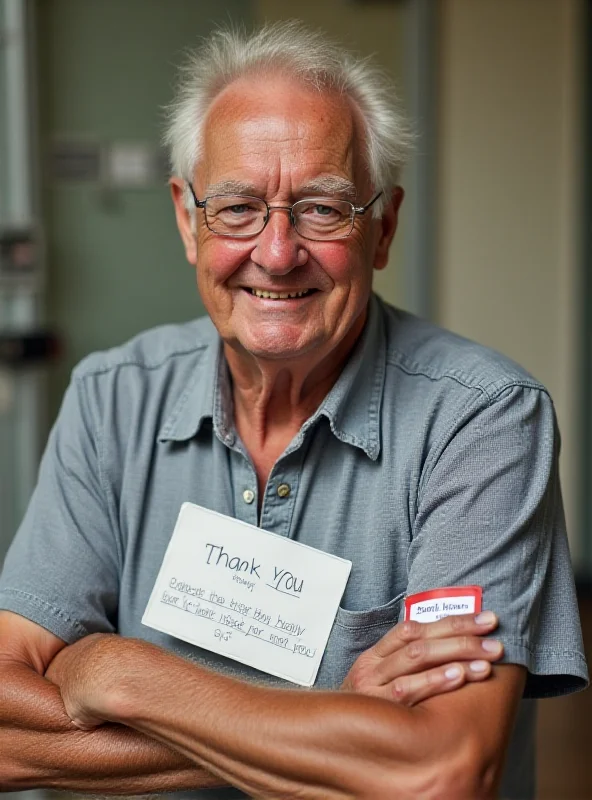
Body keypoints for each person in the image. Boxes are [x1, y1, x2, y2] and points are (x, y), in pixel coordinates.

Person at [0, 21, 587, 800]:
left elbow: (441, 767)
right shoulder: (115, 393)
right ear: (186, 219)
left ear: (385, 229)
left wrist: (122, 673)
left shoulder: (483, 421)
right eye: (237, 208)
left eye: (322, 209)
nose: (277, 253)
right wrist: (339, 713)